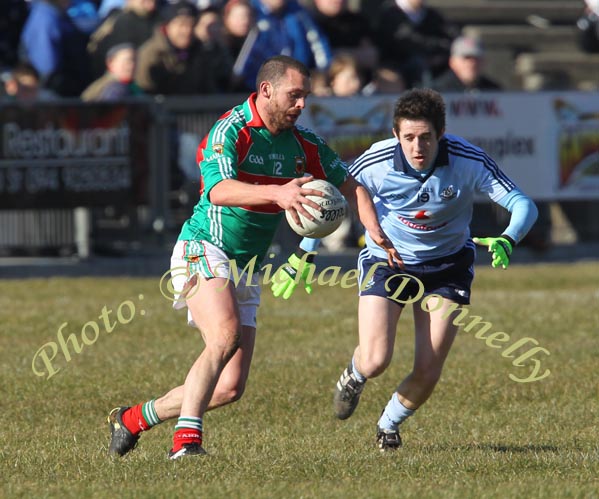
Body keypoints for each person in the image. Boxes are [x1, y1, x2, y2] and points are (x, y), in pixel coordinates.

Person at [107, 55, 399, 460]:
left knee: (228, 388)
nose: (301, 105)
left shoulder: (304, 143)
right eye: (294, 95)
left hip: (248, 266)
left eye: (306, 97)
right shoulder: (233, 129)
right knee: (224, 336)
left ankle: (134, 419)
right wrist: (278, 193)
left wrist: (375, 231)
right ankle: (186, 444)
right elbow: (218, 190)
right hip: (203, 246)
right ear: (266, 91)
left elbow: (352, 186)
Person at [272, 88, 538, 450]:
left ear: (440, 134)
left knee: (428, 370)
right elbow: (332, 201)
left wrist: (509, 237)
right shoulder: (376, 162)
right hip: (388, 260)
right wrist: (306, 251)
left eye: (426, 137)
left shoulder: (467, 159)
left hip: (448, 267)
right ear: (396, 135)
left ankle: (388, 425)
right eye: (409, 138)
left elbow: (523, 204)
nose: (417, 147)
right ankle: (356, 372)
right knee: (377, 359)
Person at [432, 35, 501, 93]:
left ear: (485, 61)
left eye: (476, 58)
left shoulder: (495, 91)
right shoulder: (437, 92)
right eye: (466, 57)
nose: (472, 63)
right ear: (452, 62)